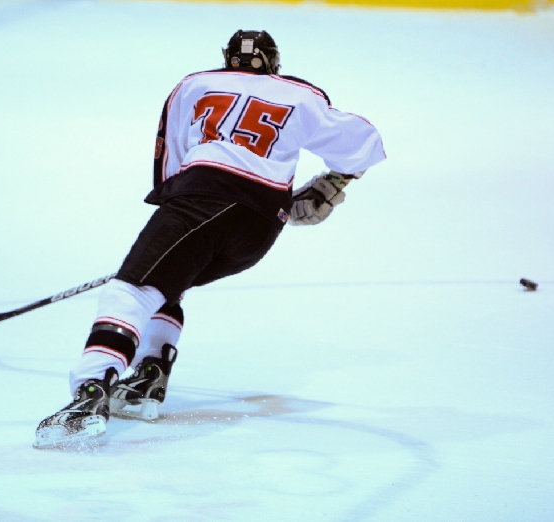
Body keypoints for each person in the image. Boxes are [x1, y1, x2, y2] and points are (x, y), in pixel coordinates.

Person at [34, 30, 386, 448]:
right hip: (260, 230)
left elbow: (171, 161)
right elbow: (364, 142)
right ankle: (147, 378)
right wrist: (331, 185)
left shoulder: (195, 84)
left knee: (129, 291)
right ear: (274, 61)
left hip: (202, 201)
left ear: (226, 58)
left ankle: (88, 396)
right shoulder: (303, 94)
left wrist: (167, 229)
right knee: (166, 284)